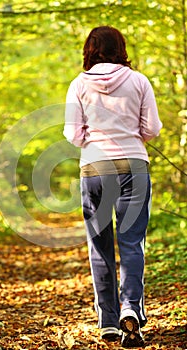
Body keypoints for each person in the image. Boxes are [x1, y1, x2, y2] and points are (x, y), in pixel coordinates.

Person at [63, 26, 162, 348]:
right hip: (133, 166)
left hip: (94, 168)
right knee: (132, 243)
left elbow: (74, 135)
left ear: (89, 49)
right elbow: (152, 129)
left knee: (100, 246)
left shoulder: (79, 84)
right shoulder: (139, 81)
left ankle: (107, 321)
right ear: (121, 47)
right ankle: (131, 308)